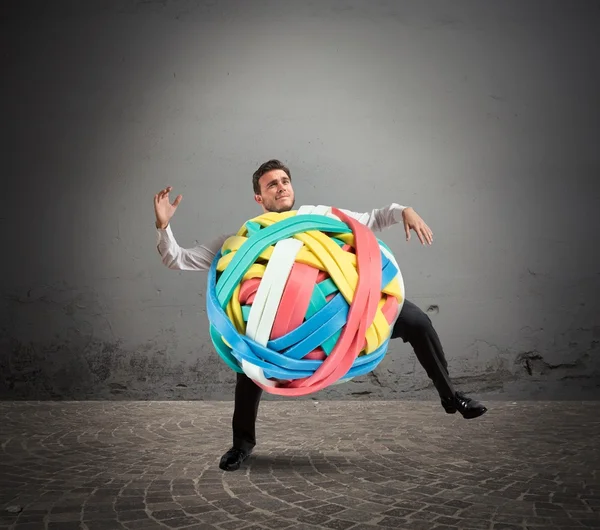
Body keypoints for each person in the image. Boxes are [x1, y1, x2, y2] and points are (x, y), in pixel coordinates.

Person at [154, 159, 488, 472]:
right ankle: (241, 444)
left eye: (285, 181)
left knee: (418, 322)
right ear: (259, 197)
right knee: (250, 359)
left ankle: (450, 397)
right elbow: (178, 259)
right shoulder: (242, 239)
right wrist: (163, 227)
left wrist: (404, 211)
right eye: (272, 185)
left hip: (350, 306)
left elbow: (373, 219)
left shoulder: (321, 215)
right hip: (276, 325)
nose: (281, 187)